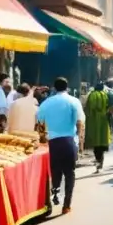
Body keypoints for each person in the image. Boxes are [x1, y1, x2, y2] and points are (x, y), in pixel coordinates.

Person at [36, 77, 85, 213]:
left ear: (54, 87)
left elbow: (39, 121)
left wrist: (42, 137)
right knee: (70, 173)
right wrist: (79, 142)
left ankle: (55, 196)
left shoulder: (46, 103)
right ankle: (67, 205)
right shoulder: (74, 101)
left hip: (52, 143)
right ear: (67, 87)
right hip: (69, 141)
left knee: (55, 172)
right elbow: (80, 122)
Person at [84, 81, 113, 173]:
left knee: (96, 145)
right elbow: (112, 105)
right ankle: (101, 164)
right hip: (104, 121)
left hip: (93, 122)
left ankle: (98, 164)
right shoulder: (106, 95)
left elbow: (87, 109)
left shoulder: (91, 95)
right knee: (102, 143)